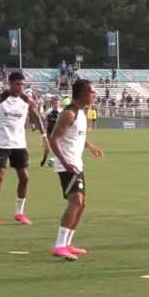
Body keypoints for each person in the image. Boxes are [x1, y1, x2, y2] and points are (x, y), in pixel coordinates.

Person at [0, 72, 45, 227]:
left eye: (22, 84)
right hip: (2, 144)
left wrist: (44, 135)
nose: (20, 87)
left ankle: (19, 213)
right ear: (10, 84)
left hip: (19, 144)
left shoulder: (26, 101)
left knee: (25, 178)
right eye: (17, 84)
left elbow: (36, 116)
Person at [48, 79, 103, 261]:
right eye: (91, 92)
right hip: (67, 165)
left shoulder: (82, 114)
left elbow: (76, 138)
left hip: (76, 164)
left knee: (81, 204)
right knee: (76, 201)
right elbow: (54, 139)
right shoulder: (69, 113)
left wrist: (91, 147)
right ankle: (59, 245)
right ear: (80, 93)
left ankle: (68, 243)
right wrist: (64, 163)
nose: (94, 95)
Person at [40, 99, 62, 166]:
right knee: (47, 147)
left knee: (58, 147)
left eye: (57, 103)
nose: (55, 104)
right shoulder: (49, 111)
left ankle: (58, 160)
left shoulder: (61, 111)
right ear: (52, 104)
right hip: (49, 131)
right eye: (54, 103)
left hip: (58, 132)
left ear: (59, 104)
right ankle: (45, 158)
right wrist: (43, 128)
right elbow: (43, 118)